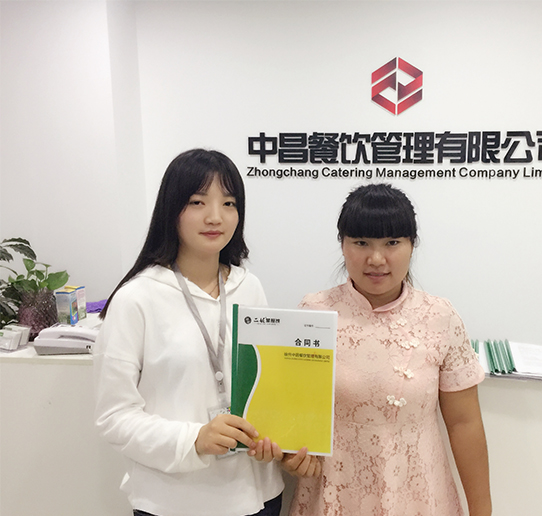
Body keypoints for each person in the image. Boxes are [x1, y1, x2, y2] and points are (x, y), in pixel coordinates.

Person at [93, 149, 319, 516]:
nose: (215, 216)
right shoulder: (137, 298)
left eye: (229, 203)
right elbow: (114, 416)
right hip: (174, 501)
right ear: (171, 210)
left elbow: (267, 385)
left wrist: (280, 440)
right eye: (198, 202)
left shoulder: (249, 287)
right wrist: (194, 439)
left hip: (257, 495)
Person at [289, 183, 492, 516]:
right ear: (342, 244)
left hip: (418, 494)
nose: (376, 259)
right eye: (361, 243)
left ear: (412, 245)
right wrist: (290, 455)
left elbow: (463, 424)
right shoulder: (314, 313)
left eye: (392, 243)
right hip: (335, 492)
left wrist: (482, 511)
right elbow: (291, 411)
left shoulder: (440, 316)